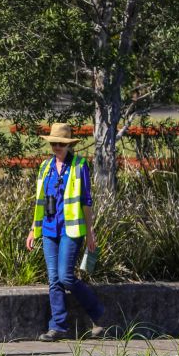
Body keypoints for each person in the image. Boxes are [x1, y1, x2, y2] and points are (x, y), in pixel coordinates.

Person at [24, 122, 105, 342]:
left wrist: (90, 232)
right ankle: (57, 326)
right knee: (53, 279)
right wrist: (33, 230)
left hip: (72, 229)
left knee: (66, 277)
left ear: (69, 145)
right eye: (54, 143)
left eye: (60, 143)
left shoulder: (79, 166)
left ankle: (97, 312)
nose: (56, 147)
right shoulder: (45, 167)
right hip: (50, 229)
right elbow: (40, 202)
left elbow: (86, 201)